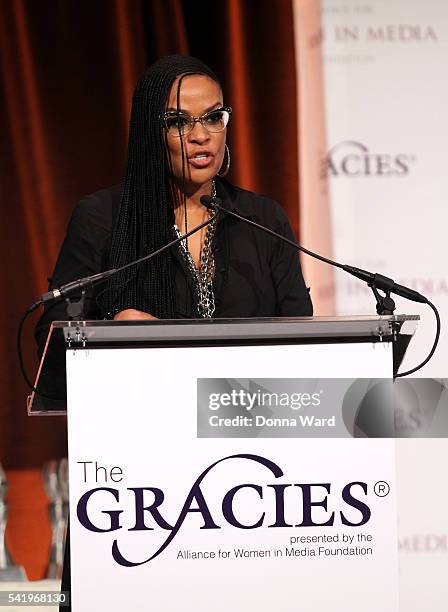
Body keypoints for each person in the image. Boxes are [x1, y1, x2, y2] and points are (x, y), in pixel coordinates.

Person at [35, 54, 312, 610]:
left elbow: (302, 340)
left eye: (213, 117)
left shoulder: (261, 220)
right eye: (177, 122)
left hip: (250, 490)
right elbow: (54, 333)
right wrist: (113, 332)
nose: (200, 136)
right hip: (137, 495)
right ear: (148, 131)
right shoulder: (104, 218)